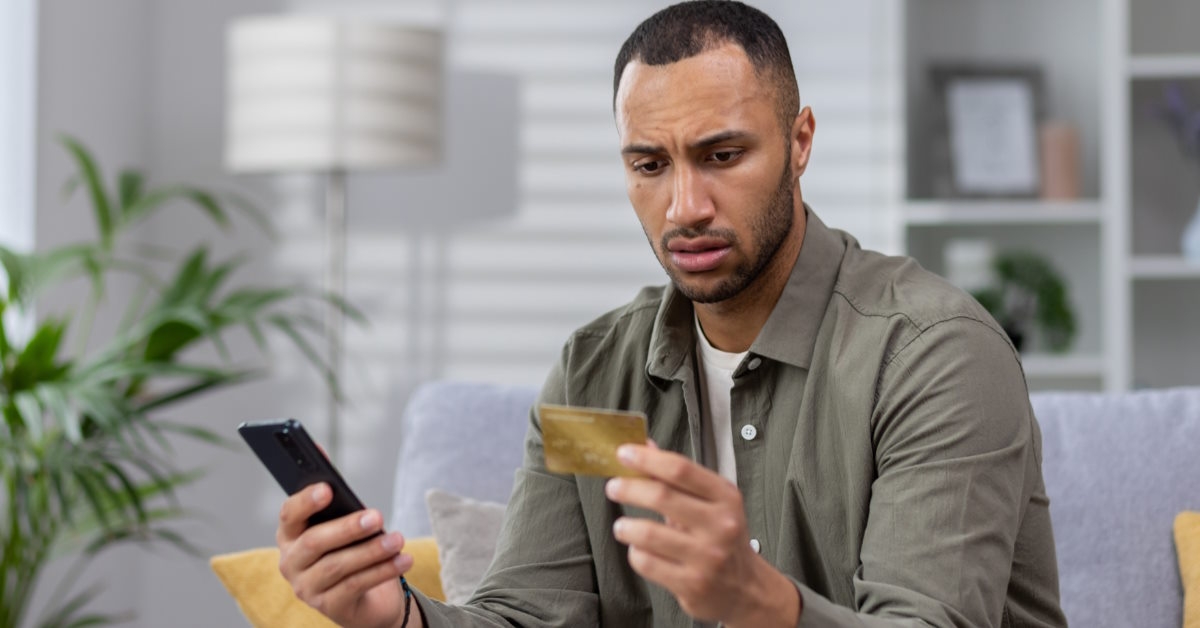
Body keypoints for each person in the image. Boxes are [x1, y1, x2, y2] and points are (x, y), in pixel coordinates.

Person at [274, 2, 1068, 626]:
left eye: (723, 156)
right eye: (649, 165)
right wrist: (395, 617)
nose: (684, 207)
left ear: (800, 142)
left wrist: (759, 601)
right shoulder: (593, 375)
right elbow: (527, 616)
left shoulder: (934, 355)